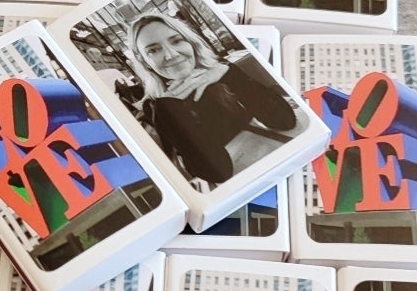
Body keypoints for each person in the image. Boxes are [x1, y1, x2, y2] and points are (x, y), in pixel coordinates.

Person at [127, 12, 298, 185]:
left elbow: (285, 121)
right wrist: (172, 110)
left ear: (191, 43)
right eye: (153, 50)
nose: (171, 55)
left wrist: (230, 75)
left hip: (270, 153)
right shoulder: (156, 107)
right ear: (144, 61)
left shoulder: (220, 70)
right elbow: (219, 172)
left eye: (176, 41)